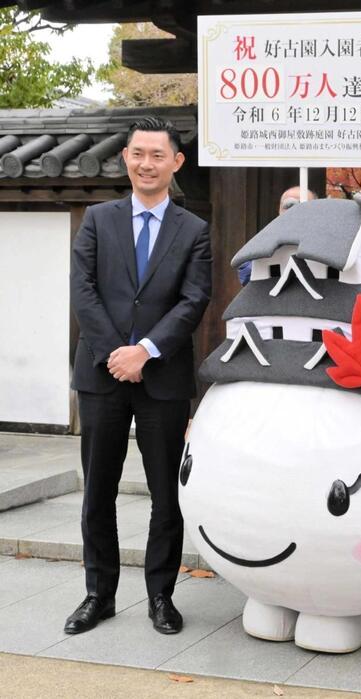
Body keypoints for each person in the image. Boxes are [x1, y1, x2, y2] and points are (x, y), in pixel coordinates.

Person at [68, 115, 212, 636]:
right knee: (97, 491)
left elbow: (195, 298)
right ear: (125, 157)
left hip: (164, 379)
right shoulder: (97, 219)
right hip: (101, 374)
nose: (145, 163)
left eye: (157, 155)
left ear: (175, 163)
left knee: (164, 495)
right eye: (137, 153)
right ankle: (97, 595)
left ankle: (161, 597)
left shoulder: (193, 230)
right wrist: (117, 354)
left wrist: (146, 351)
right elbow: (83, 289)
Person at [237, 185, 315, 285]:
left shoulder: (324, 239)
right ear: (279, 210)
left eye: (302, 205)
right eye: (288, 206)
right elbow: (246, 274)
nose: (294, 211)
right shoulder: (266, 239)